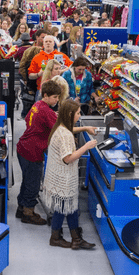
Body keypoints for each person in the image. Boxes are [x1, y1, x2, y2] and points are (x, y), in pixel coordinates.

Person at [16, 81, 96, 224]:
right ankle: (28, 214)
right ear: (45, 95)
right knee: (33, 184)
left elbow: (29, 120)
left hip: (23, 148)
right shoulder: (46, 111)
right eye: (54, 97)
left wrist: (51, 115)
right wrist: (85, 128)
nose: (57, 100)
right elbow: (63, 130)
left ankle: (21, 208)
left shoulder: (38, 105)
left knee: (27, 181)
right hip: (32, 152)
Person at [43, 100, 97, 249]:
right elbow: (68, 158)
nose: (80, 115)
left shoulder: (59, 127)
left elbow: (69, 131)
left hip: (57, 176)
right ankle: (55, 238)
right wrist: (86, 146)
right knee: (63, 209)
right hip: (64, 178)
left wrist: (85, 128)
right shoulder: (65, 135)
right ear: (70, 114)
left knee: (71, 208)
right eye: (78, 113)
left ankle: (76, 239)